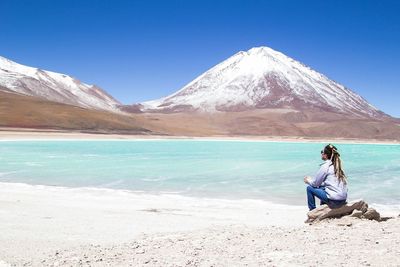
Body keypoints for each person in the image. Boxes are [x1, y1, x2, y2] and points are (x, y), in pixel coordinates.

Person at [304, 144, 348, 211]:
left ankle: (312, 211)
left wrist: (308, 180)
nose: (321, 154)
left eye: (322, 152)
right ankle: (323, 207)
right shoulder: (337, 166)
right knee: (323, 188)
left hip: (335, 202)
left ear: (325, 155)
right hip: (343, 200)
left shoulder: (325, 166)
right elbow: (329, 184)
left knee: (309, 188)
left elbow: (316, 184)